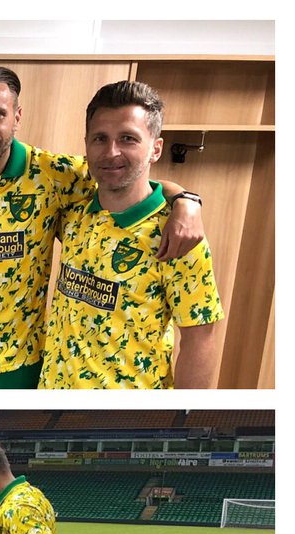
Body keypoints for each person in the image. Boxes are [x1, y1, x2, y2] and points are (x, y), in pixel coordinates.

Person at [0, 65, 206, 389]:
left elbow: (131, 182)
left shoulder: (57, 175)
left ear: (16, 117)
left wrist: (186, 200)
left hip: (21, 364)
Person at [40, 80, 224, 388]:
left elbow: (199, 341)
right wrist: (185, 196)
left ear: (155, 148)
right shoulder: (74, 211)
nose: (111, 152)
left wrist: (184, 419)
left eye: (128, 138)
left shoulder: (179, 236)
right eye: (100, 138)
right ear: (86, 144)